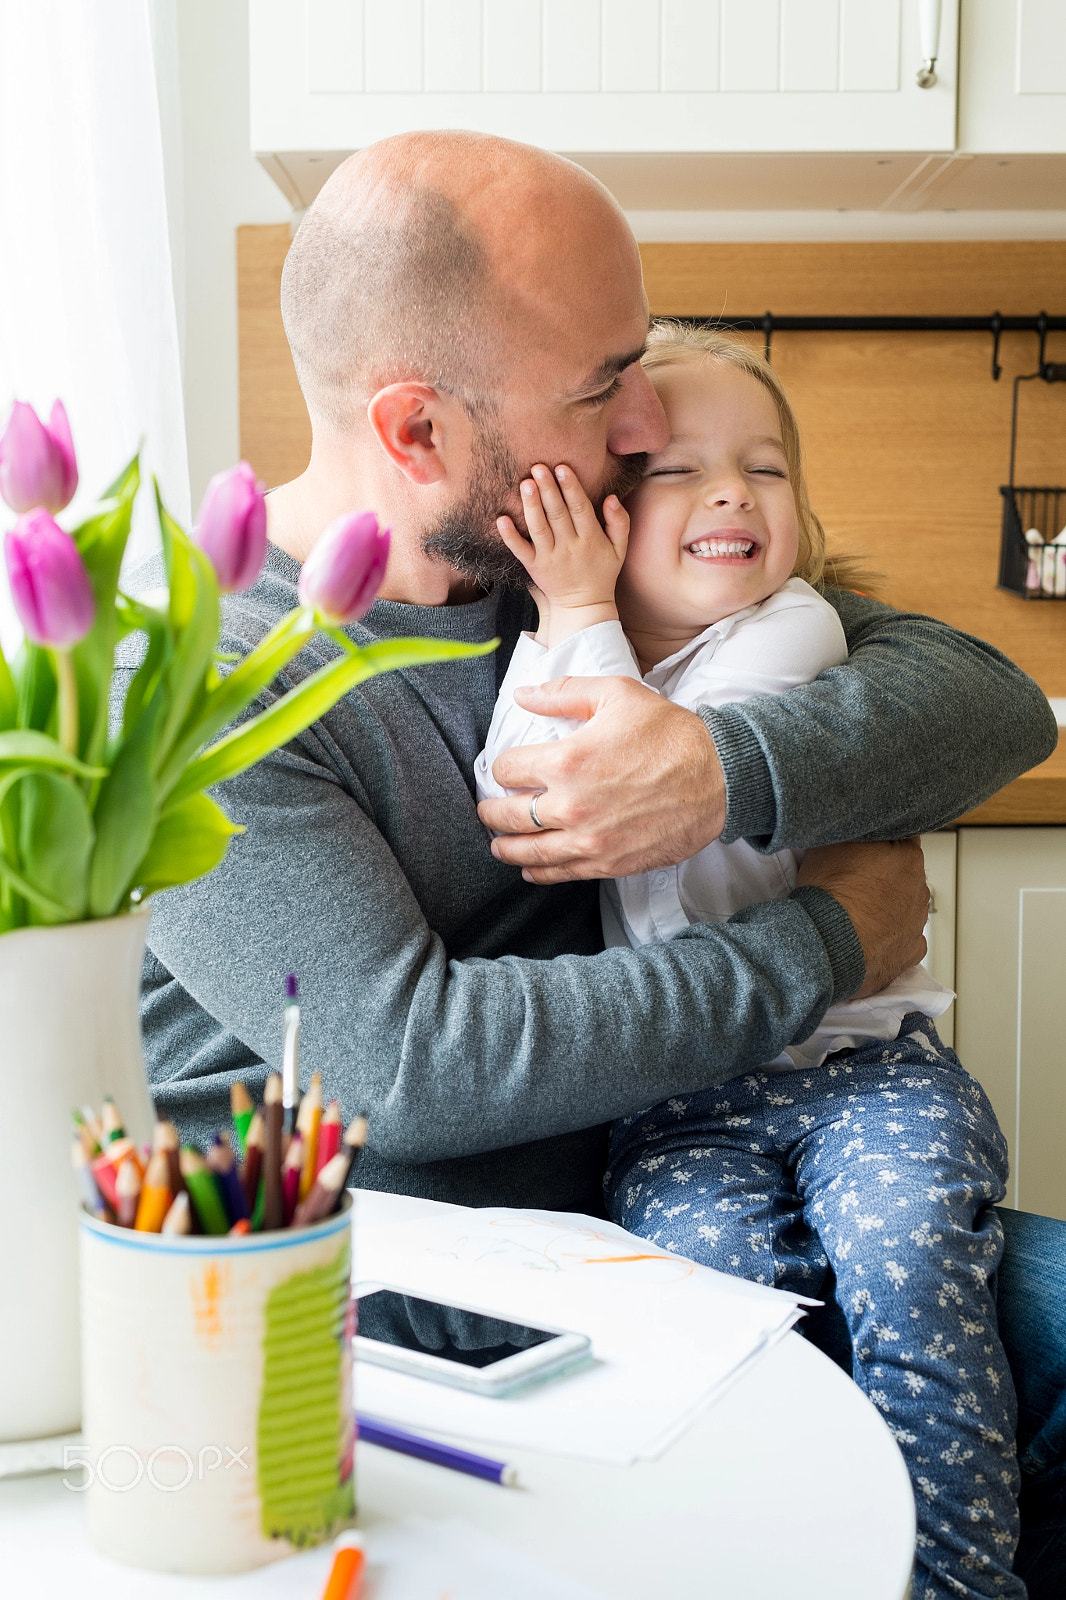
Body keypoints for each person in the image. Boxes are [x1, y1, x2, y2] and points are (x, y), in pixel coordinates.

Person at [115, 131, 1064, 1591]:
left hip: (664, 1191)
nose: (639, 425)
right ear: (419, 432)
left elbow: (976, 697)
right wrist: (822, 942)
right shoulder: (202, 683)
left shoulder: (558, 568)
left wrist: (722, 770)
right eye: (594, 386)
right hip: (415, 1306)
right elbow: (412, 1063)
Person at [475, 321, 1019, 1599]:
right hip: (681, 1103)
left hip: (861, 1070)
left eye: (765, 468)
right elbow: (525, 790)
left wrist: (573, 612)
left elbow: (629, 762)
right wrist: (569, 617)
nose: (732, 491)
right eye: (682, 470)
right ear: (601, 513)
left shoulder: (798, 632)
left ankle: (947, 1579)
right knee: (712, 1313)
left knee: (907, 1263)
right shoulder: (561, 636)